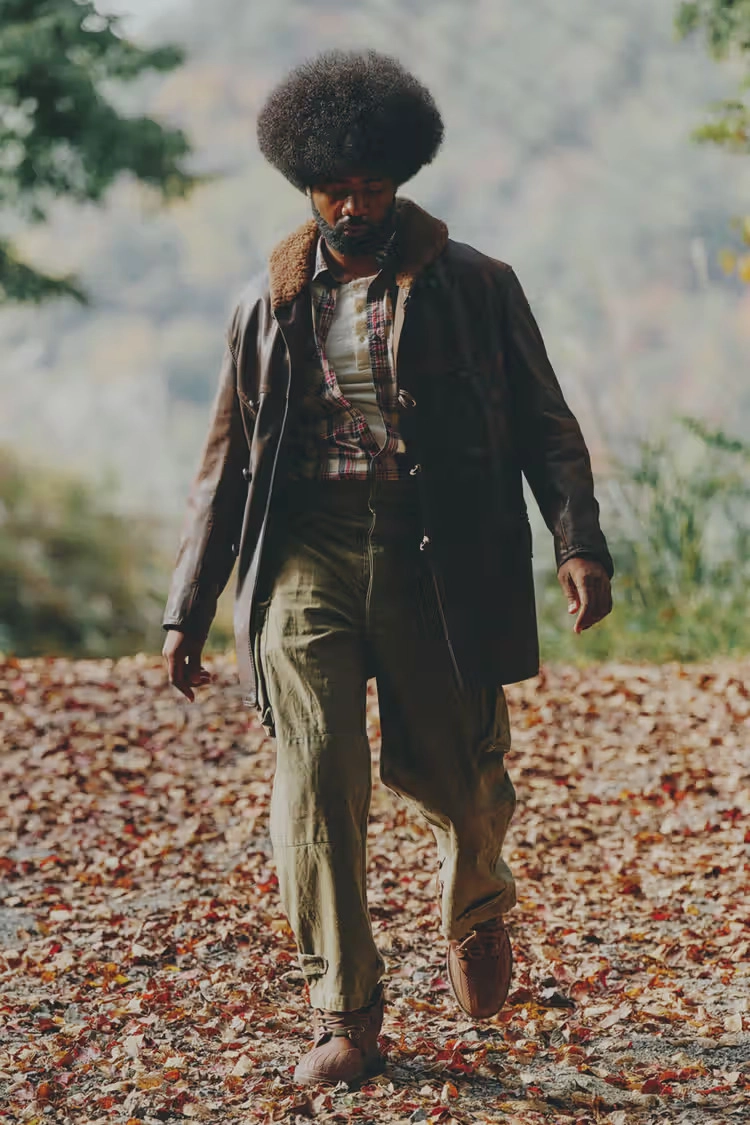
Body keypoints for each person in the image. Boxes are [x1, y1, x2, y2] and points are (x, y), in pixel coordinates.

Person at [161, 48, 614, 1087]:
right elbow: (224, 466)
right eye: (336, 188)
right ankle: (348, 1010)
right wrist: (188, 607)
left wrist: (578, 542)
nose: (354, 204)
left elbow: (548, 428)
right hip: (304, 556)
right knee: (316, 781)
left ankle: (477, 904)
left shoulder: (477, 287)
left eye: (371, 185)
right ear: (306, 183)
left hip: (435, 549)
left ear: (401, 176)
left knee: (461, 782)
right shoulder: (264, 306)